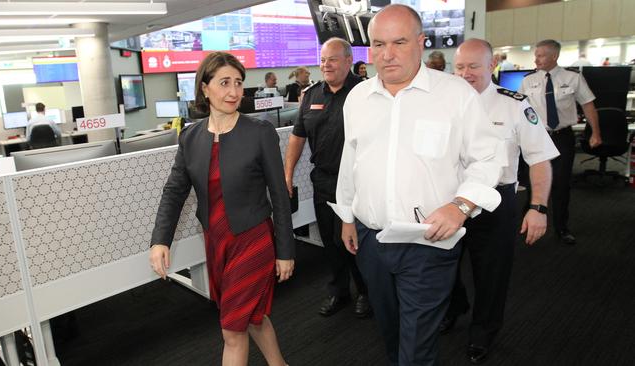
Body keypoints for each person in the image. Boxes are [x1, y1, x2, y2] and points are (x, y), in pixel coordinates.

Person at [330, 5, 504, 365]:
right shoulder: (358, 98)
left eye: (399, 42)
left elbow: (489, 159)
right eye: (378, 44)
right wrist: (348, 216)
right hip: (371, 240)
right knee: (391, 333)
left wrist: (461, 206)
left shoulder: (454, 94)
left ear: (421, 43)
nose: (387, 54)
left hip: (428, 243)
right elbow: (351, 162)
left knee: (417, 346)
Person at [149, 52, 294, 366]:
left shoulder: (259, 133)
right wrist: (160, 240)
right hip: (217, 242)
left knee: (232, 328)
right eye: (224, 83)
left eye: (239, 83)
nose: (233, 92)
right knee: (252, 317)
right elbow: (174, 192)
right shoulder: (190, 138)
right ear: (205, 88)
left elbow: (279, 196)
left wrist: (285, 251)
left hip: (253, 239)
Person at [444, 38, 559, 364]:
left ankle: (483, 332)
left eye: (474, 67)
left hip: (496, 201)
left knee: (491, 274)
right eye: (460, 67)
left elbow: (539, 159)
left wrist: (538, 207)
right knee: (442, 264)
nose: (466, 74)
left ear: (492, 65)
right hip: (450, 200)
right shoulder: (443, 104)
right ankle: (454, 306)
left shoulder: (515, 104)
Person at [284, 37, 370, 318]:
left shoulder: (365, 93)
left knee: (355, 241)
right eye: (322, 60)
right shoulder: (311, 95)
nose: (326, 65)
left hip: (358, 183)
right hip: (323, 180)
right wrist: (287, 175)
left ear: (348, 61)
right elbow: (297, 138)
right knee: (331, 243)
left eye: (332, 59)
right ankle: (339, 293)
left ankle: (367, 292)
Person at [519, 39, 602, 245]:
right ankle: (529, 223)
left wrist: (595, 133)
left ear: (554, 56)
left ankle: (561, 228)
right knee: (533, 184)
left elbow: (588, 106)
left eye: (540, 55)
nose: (536, 59)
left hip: (562, 137)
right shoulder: (528, 80)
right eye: (536, 55)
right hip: (537, 137)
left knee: (561, 184)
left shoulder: (573, 78)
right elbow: (519, 109)